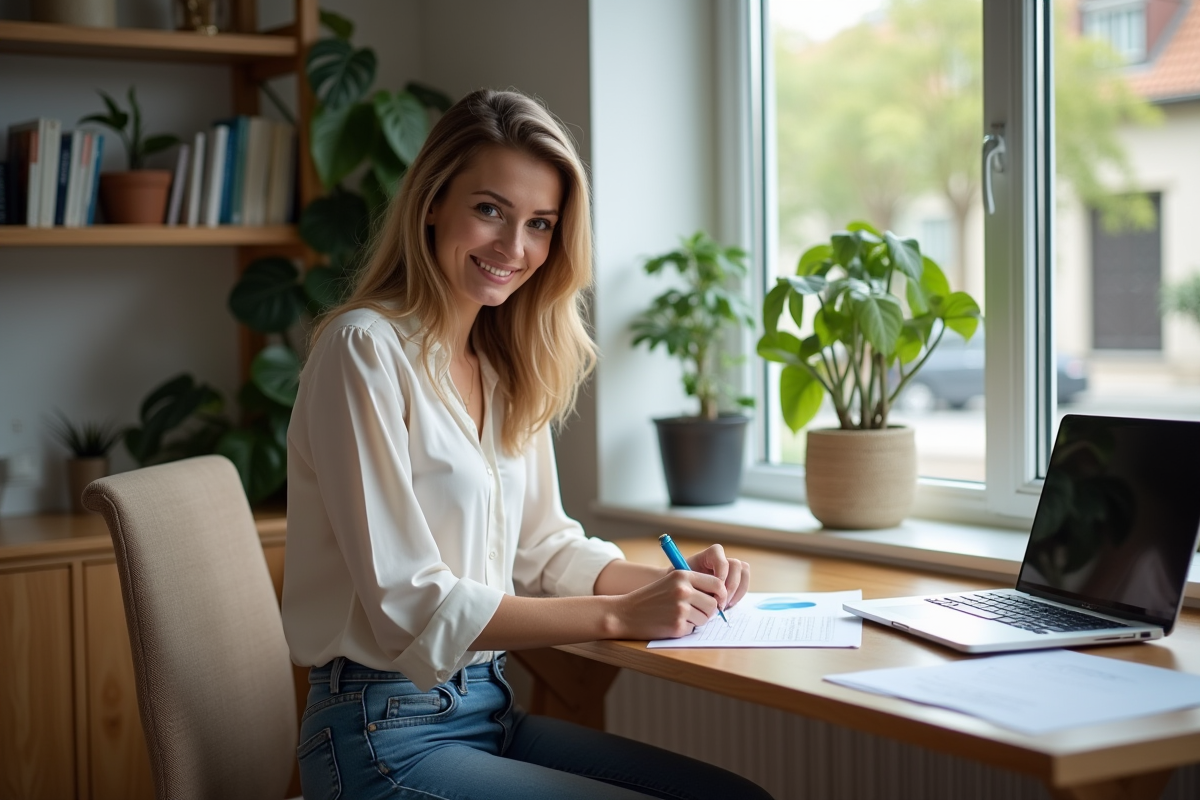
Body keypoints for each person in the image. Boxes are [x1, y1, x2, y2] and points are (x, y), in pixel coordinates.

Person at [282, 88, 774, 800]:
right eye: (490, 210)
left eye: (540, 224)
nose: (515, 249)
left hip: (488, 712)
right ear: (432, 203)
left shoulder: (504, 367)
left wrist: (668, 586)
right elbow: (410, 603)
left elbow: (543, 551)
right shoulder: (364, 349)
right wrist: (619, 615)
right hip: (380, 736)